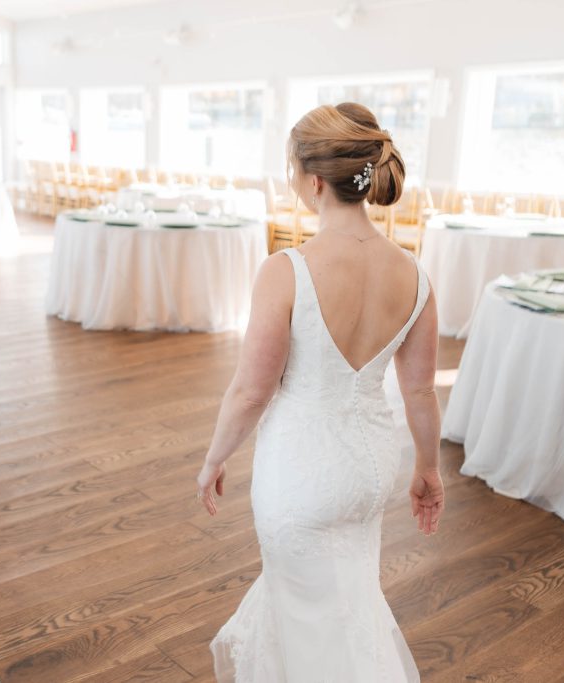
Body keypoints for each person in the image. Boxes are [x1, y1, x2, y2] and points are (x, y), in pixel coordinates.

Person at [196, 103, 444, 682]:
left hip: (303, 471)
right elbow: (422, 393)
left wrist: (214, 459)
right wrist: (429, 470)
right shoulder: (416, 276)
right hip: (373, 470)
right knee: (349, 597)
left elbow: (250, 392)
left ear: (312, 181)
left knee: (301, 604)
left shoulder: (286, 269)